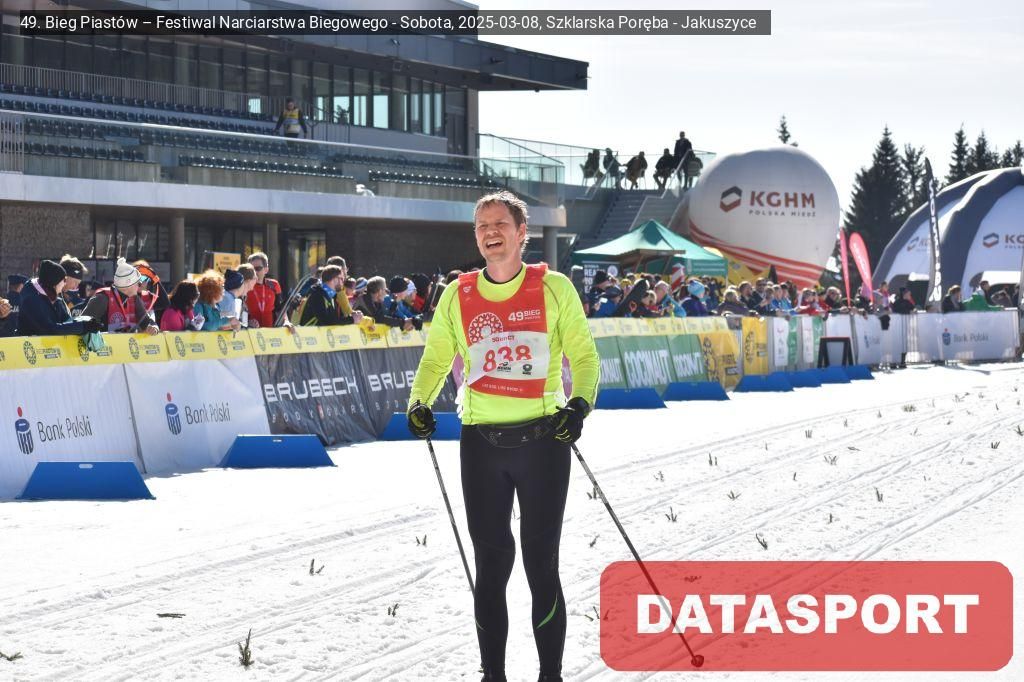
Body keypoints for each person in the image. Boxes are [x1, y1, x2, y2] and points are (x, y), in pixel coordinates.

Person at [407, 190, 599, 682]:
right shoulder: (458, 294)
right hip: (482, 445)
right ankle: (492, 676)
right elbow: (436, 357)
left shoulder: (553, 288)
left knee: (541, 565)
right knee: (491, 566)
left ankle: (550, 676)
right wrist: (418, 402)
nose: (490, 232)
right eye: (481, 226)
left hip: (543, 443)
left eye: (499, 224)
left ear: (521, 233)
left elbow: (583, 356)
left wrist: (579, 405)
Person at [17, 260, 98, 336]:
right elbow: (49, 329)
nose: (64, 284)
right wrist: (82, 326)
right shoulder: (31, 300)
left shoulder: (55, 299)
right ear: (54, 282)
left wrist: (86, 323)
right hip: (28, 345)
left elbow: (67, 321)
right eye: (64, 280)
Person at [81, 258, 160, 334]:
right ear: (128, 284)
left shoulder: (135, 299)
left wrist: (153, 327)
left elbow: (147, 322)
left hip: (123, 342)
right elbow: (82, 324)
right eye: (138, 283)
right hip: (102, 343)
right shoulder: (102, 299)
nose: (140, 286)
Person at [299, 264, 363, 326]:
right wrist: (352, 319)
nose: (343, 282)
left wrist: (354, 315)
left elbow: (336, 319)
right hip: (307, 332)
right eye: (341, 279)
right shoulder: (317, 294)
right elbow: (327, 321)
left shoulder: (331, 296)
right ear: (334, 279)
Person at [246, 252, 283, 329]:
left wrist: (286, 321)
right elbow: (238, 312)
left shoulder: (274, 285)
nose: (254, 272)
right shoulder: (244, 286)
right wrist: (246, 322)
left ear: (266, 270)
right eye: (251, 269)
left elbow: (279, 308)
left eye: (258, 269)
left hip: (270, 332)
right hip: (250, 331)